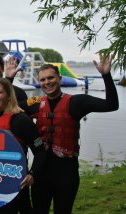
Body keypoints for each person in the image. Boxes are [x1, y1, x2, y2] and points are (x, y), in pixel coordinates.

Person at [19, 54, 119, 214]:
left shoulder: (77, 102)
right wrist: (9, 78)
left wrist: (106, 75)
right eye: (43, 80)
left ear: (59, 78)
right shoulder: (34, 104)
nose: (47, 82)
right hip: (40, 172)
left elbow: (111, 105)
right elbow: (8, 107)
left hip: (67, 173)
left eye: (51, 78)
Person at [0, 78, 46, 214]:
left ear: (8, 96)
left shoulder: (20, 120)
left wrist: (32, 174)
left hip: (13, 185)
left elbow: (40, 151)